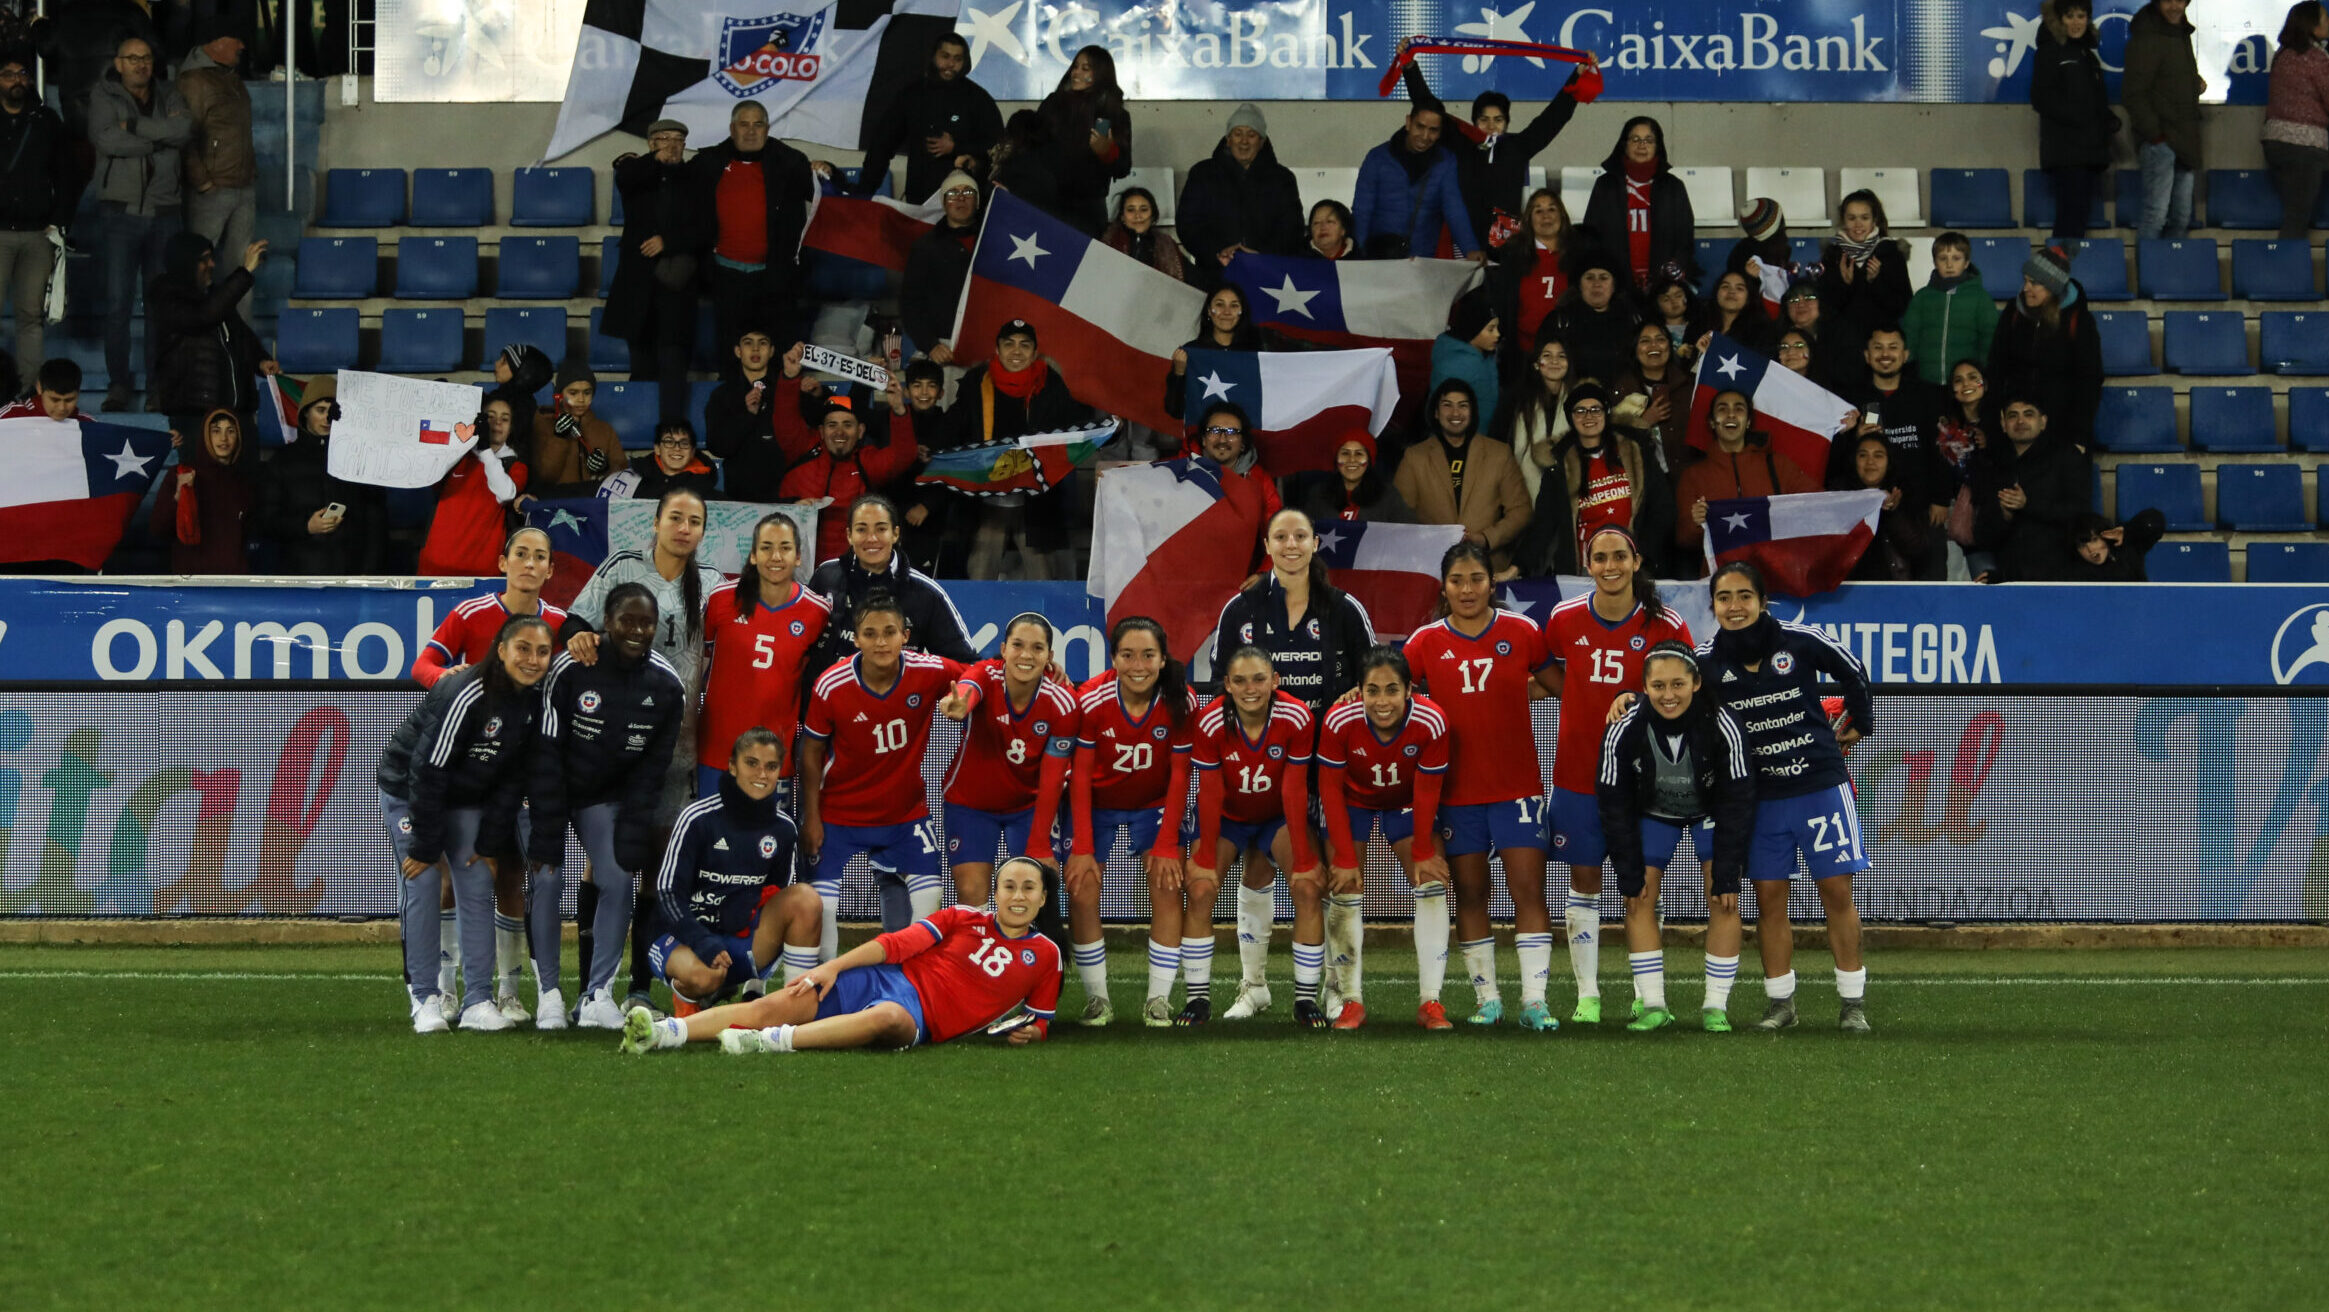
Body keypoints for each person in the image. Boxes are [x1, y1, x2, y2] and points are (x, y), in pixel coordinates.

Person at [622, 855, 1062, 1054]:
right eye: (1009, 886)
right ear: (996, 892)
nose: (1017, 896)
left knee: (886, 1019)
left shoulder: (1047, 956)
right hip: (882, 978)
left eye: (1029, 888)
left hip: (920, 1017)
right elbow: (897, 944)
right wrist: (830, 967)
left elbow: (1041, 1020)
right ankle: (664, 1033)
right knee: (781, 1001)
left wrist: (1032, 1034)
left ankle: (770, 1043)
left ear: (1043, 899)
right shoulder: (963, 916)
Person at [1692, 561, 1875, 1033]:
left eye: (1744, 596)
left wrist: (1860, 724)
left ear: (1762, 601)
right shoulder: (1706, 662)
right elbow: (1671, 696)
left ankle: (1852, 1003)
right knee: (1770, 898)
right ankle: (1781, 1004)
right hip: (1759, 798)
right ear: (1713, 606)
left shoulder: (1800, 640)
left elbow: (1854, 670)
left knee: (1837, 892)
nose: (1735, 606)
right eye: (1724, 597)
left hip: (1819, 787)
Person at [410, 526, 569, 1016]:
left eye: (539, 556)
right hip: (466, 771)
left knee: (512, 873)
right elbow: (424, 667)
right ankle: (446, 987)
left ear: (550, 569)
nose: (529, 563)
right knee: (451, 875)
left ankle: (507, 990)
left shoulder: (563, 623)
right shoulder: (470, 612)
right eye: (520, 554)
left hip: (523, 768)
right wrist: (451, 679)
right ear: (503, 562)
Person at [1402, 542, 1558, 1029]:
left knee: (1528, 891)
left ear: (1493, 583)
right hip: (1455, 792)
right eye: (1457, 581)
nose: (1467, 589)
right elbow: (1388, 687)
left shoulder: (1523, 630)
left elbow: (1559, 685)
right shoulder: (1425, 640)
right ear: (1444, 587)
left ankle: (1535, 1001)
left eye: (1476, 579)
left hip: (1517, 787)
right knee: (1470, 892)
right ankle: (1487, 999)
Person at [1541, 527, 1690, 1023]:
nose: (1610, 565)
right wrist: (1579, 696)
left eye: (1619, 556)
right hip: (1578, 776)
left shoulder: (1664, 622)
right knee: (1583, 883)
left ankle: (1645, 994)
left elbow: (1690, 692)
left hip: (1645, 783)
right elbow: (1543, 671)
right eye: (1600, 557)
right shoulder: (1563, 619)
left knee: (1642, 887)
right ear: (1588, 564)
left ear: (1636, 559)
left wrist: (1641, 703)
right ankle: (1587, 996)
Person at [378, 614, 551, 1033]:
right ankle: (424, 998)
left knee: (476, 880)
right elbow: (428, 769)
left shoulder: (534, 701)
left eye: (542, 651)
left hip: (466, 798)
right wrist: (425, 846)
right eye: (522, 649)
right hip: (410, 789)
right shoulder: (468, 690)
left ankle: (477, 1000)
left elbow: (512, 779)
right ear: (501, 650)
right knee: (422, 882)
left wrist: (489, 843)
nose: (532, 659)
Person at [529, 585, 687, 1029]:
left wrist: (633, 826)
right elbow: (545, 752)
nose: (637, 630)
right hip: (554, 789)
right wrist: (547, 827)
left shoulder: (666, 684)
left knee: (618, 878)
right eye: (627, 621)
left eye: (646, 622)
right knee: (548, 875)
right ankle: (549, 994)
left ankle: (598, 994)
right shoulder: (572, 667)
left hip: (604, 800)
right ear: (607, 622)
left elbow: (652, 770)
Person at [1595, 641, 1754, 1032]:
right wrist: (1628, 871)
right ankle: (1653, 1005)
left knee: (1725, 897)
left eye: (1678, 684)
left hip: (1711, 812)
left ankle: (1715, 1007)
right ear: (1645, 687)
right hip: (1653, 813)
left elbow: (1738, 798)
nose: (1669, 695)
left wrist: (1729, 871)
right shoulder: (1625, 728)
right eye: (1659, 686)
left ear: (1696, 683)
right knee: (1638, 897)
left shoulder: (1723, 723)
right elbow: (1613, 802)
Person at [798, 592, 967, 959]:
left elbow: (976, 673)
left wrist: (965, 696)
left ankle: (914, 981)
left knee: (930, 895)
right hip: (839, 813)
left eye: (889, 632)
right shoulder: (831, 685)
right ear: (855, 638)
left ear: (905, 635)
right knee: (821, 909)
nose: (881, 642)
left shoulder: (929, 671)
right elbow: (810, 751)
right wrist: (811, 816)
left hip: (903, 813)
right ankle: (827, 986)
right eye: (870, 633)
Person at [935, 614, 1086, 1011]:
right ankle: (975, 990)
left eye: (1037, 648)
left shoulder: (1062, 703)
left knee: (1032, 897)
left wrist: (1039, 842)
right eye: (1018, 645)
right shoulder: (985, 675)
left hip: (1027, 807)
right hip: (970, 804)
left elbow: (1054, 779)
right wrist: (959, 704)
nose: (1026, 654)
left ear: (1050, 657)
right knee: (972, 899)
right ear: (1003, 650)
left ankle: (1034, 991)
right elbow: (967, 690)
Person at [1068, 617, 1201, 1027]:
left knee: (1166, 884)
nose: (1138, 664)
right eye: (1127, 655)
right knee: (1082, 887)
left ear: (1163, 660)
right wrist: (1084, 847)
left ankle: (1158, 999)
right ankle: (1097, 1000)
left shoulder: (1182, 699)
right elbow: (1082, 776)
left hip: (1155, 802)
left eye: (1148, 655)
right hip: (1097, 802)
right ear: (1113, 659)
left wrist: (1164, 845)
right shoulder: (1090, 699)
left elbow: (1181, 776)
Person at [1183, 646, 1325, 1027]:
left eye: (1259, 679)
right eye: (1240, 680)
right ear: (1227, 684)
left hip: (1277, 815)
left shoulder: (1296, 716)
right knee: (1199, 887)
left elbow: (1294, 790)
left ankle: (1306, 1000)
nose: (1251, 688)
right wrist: (1206, 860)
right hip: (1227, 816)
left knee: (1309, 886)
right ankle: (1197, 1000)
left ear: (1275, 681)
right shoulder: (1211, 721)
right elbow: (1210, 792)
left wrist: (1305, 861)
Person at [1316, 647, 1451, 1030]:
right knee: (1342, 886)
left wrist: (1424, 850)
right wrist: (1343, 855)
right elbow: (1329, 790)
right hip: (1353, 801)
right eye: (1372, 690)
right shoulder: (1339, 719)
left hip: (1408, 802)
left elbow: (1427, 791)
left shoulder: (1431, 720)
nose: (1382, 701)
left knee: (1432, 882)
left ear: (1409, 689)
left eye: (1392, 689)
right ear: (1359, 691)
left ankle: (1431, 1002)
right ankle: (1349, 1001)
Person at [645, 728, 825, 1013]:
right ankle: (689, 998)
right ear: (732, 766)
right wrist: (701, 940)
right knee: (706, 976)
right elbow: (667, 894)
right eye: (751, 763)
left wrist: (747, 909)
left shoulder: (783, 828)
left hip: (737, 940)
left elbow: (777, 895)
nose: (761, 774)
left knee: (806, 899)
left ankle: (795, 1009)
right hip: (683, 938)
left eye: (771, 766)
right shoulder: (697, 818)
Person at [1399, 40, 1592, 251]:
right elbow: (1428, 106)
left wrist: (1578, 76)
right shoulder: (1461, 144)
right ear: (1474, 122)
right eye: (1484, 119)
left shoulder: (1518, 147)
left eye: (1498, 120)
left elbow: (1553, 118)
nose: (1491, 126)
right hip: (1464, 245)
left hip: (1505, 247)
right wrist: (1410, 68)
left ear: (1507, 123)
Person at [934, 318, 1085, 579]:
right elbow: (952, 428)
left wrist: (1110, 432)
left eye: (1025, 345)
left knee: (1043, 579)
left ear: (1035, 352)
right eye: (1009, 344)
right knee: (980, 573)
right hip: (987, 502)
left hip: (1034, 502)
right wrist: (929, 443)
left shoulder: (1051, 385)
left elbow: (1077, 426)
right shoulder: (976, 383)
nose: (1017, 352)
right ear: (997, 349)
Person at [696, 513, 831, 794]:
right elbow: (699, 665)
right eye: (766, 547)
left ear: (798, 557)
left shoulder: (817, 612)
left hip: (773, 757)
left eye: (785, 547)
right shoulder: (721, 599)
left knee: (766, 838)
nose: (776, 556)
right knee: (715, 836)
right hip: (717, 750)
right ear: (754, 556)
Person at [90, 34, 190, 412]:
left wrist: (133, 126)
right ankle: (118, 384)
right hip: (120, 214)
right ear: (118, 63)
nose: (140, 64)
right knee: (117, 305)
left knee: (159, 308)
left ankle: (157, 387)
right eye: (132, 58)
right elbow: (106, 139)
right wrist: (157, 139)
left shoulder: (171, 94)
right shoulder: (103, 95)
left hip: (165, 214)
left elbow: (184, 131)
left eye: (146, 57)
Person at [1208, 506, 1376, 713]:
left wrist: (1358, 694)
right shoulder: (1239, 609)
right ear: (1267, 546)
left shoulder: (1345, 608)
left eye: (1300, 536)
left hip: (1329, 738)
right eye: (1280, 537)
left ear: (1315, 544)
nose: (1291, 544)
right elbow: (1219, 684)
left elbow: (1376, 675)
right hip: (1260, 740)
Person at [691, 100, 816, 355]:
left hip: (776, 278)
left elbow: (826, 197)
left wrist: (829, 171)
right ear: (732, 128)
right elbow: (672, 189)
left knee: (781, 359)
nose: (750, 131)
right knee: (730, 356)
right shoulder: (707, 162)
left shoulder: (790, 162)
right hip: (726, 278)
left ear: (767, 129)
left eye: (757, 124)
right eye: (743, 124)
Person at [805, 493, 978, 676]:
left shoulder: (924, 592)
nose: (871, 538)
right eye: (861, 529)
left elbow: (966, 665)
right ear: (849, 535)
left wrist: (936, 705)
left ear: (895, 534)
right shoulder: (826, 577)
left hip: (898, 702)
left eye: (881, 529)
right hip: (829, 699)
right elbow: (800, 642)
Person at [1518, 380, 1672, 579]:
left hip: (1633, 569)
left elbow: (1664, 509)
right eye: (1580, 411)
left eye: (1595, 409)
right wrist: (1517, 567)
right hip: (1584, 573)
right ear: (1571, 418)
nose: (1588, 416)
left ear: (1606, 412)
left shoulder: (1636, 451)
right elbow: (1543, 525)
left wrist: (1642, 556)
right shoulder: (1560, 465)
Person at [607, 120, 707, 421]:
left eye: (679, 139)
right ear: (651, 143)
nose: (672, 145)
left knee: (674, 366)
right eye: (664, 139)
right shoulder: (636, 174)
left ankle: (671, 433)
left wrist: (669, 242)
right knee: (642, 367)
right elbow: (626, 176)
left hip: (676, 290)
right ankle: (640, 430)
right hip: (638, 289)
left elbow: (706, 229)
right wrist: (654, 160)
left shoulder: (695, 178)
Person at [1836, 324, 1954, 578]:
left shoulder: (1928, 396)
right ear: (1867, 355)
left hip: (1922, 507)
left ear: (1906, 354)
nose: (1885, 354)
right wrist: (1853, 437)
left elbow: (1943, 449)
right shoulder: (1850, 398)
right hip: (1866, 510)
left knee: (1931, 583)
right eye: (1878, 348)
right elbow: (1836, 459)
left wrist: (1941, 499)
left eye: (1893, 347)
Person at [1392, 379, 1532, 575]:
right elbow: (1398, 517)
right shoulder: (1415, 457)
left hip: (1488, 565)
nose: (1455, 413)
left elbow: (1521, 510)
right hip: (1430, 568)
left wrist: (1485, 538)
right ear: (1436, 412)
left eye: (1463, 406)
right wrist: (1431, 541)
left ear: (1472, 412)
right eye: (1447, 405)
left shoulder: (1499, 453)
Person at [849, 31, 1003, 205]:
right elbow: (882, 144)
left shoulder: (978, 98)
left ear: (965, 62)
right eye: (945, 56)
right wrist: (864, 192)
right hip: (920, 196)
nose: (950, 64)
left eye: (957, 59)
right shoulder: (912, 96)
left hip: (965, 201)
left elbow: (998, 146)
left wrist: (956, 147)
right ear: (933, 56)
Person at [1673, 386, 1818, 571]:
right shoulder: (1693, 475)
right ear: (1711, 422)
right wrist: (1695, 522)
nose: (1731, 414)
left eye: (1739, 408)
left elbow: (1816, 505)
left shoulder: (1778, 465)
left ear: (1748, 422)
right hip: (1720, 580)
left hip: (1776, 576)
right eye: (1722, 408)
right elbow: (1682, 538)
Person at [256, 377, 386, 575]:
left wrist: (368, 573)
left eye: (333, 412)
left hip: (350, 576)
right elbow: (266, 521)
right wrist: (306, 526)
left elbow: (374, 518)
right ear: (306, 412)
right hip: (301, 578)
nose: (327, 419)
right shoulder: (282, 462)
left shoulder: (357, 458)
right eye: (321, 410)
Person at [148, 231, 272, 433]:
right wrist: (245, 271)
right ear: (185, 262)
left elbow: (240, 334)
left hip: (236, 413)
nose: (212, 265)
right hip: (195, 417)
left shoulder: (214, 295)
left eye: (211, 258)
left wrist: (261, 360)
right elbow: (202, 317)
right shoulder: (165, 295)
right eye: (204, 260)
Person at [0, 47, 76, 372]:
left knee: (31, 316)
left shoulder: (46, 121)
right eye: (9, 74)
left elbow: (66, 174)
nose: (18, 80)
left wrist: (58, 221)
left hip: (37, 234)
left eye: (23, 74)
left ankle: (30, 390)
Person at [1989, 246, 2103, 455]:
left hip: (2063, 431)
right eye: (2025, 280)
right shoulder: (2014, 312)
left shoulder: (2079, 320)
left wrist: (2079, 435)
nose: (2025, 288)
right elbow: (1996, 367)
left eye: (2034, 282)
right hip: (2019, 431)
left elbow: (2090, 379)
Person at [1175, 103, 1304, 289]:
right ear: (1228, 139)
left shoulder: (1283, 179)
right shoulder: (1202, 173)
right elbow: (1188, 225)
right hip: (1214, 275)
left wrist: (1260, 255)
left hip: (1267, 276)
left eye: (1251, 135)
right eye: (1237, 133)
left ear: (1262, 141)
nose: (1244, 141)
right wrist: (1218, 253)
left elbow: (1292, 229)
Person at [176, 18, 254, 324]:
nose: (243, 46)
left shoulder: (230, 77)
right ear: (217, 42)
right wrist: (203, 181)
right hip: (211, 191)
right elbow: (184, 135)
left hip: (242, 187)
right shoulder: (194, 81)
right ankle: (196, 340)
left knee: (243, 272)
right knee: (197, 269)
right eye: (237, 39)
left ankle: (241, 346)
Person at [1968, 393, 2089, 582]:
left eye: (2028, 414)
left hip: (2061, 570)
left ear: (2043, 422)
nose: (2020, 421)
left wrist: (2028, 505)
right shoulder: (1992, 463)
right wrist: (2004, 516)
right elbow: (1983, 534)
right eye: (2013, 415)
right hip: (2009, 573)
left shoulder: (2066, 456)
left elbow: (2079, 511)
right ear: (2003, 425)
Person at [2030, 1, 2118, 243]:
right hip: (2066, 151)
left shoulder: (2087, 55)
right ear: (2059, 19)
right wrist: (2081, 117)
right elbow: (2041, 98)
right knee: (2068, 221)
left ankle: (2065, 275)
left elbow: (2094, 102)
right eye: (2070, 16)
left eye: (2082, 16)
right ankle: (2053, 278)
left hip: (2088, 151)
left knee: (2077, 221)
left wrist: (2108, 120)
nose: (2077, 22)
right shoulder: (2050, 51)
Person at [417, 395, 530, 577]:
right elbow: (427, 476)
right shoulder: (457, 456)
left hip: (481, 570)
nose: (497, 423)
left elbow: (506, 493)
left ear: (512, 428)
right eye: (490, 417)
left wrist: (485, 450)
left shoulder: (515, 466)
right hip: (434, 565)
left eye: (505, 419)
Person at [1581, 116, 1696, 291]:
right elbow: (1591, 234)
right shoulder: (1606, 184)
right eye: (1635, 139)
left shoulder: (1673, 186)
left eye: (1648, 140)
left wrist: (1672, 272)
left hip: (1662, 285)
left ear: (1658, 146)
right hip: (1615, 284)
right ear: (1624, 145)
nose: (1642, 145)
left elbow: (1684, 238)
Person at [1352, 100, 1476, 260]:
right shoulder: (1377, 158)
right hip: (1379, 261)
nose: (1425, 136)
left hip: (1422, 263)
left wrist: (1471, 249)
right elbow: (1362, 211)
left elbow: (1454, 209)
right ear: (1408, 122)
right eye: (1420, 126)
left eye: (1433, 130)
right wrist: (1359, 255)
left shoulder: (1446, 161)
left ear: (1440, 133)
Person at [2123, 0, 2204, 240]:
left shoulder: (2180, 34)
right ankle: (2145, 275)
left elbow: (2168, 75)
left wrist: (2194, 82)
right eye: (2168, 0)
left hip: (2185, 140)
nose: (2175, 6)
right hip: (2162, 142)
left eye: (2180, 0)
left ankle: (2170, 275)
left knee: (2181, 217)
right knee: (2156, 215)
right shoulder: (2147, 37)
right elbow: (2133, 93)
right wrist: (2156, 135)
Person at [1037, 45, 1131, 235]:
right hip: (1048, 204)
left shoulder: (1114, 114)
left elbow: (1123, 167)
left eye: (1085, 69)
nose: (1076, 73)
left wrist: (1107, 152)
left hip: (1088, 210)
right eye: (1075, 66)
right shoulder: (1053, 105)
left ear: (1101, 75)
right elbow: (1032, 147)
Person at [149, 408, 253, 574]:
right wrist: (177, 497)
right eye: (216, 431)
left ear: (238, 437)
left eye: (230, 431)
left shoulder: (243, 482)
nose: (223, 438)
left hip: (233, 586)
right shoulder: (181, 474)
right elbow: (158, 530)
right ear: (205, 435)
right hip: (192, 584)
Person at [1814, 190, 1911, 352]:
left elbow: (1901, 306)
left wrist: (1875, 283)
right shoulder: (1832, 256)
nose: (1858, 225)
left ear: (1875, 221)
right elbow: (1825, 308)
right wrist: (1845, 285)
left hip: (1880, 351)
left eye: (1864, 218)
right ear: (1843, 221)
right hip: (1841, 349)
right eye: (1851, 218)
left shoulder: (1890, 254)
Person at [900, 172, 982, 362]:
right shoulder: (925, 246)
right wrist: (930, 345)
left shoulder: (994, 240)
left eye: (968, 192)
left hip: (987, 345)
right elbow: (910, 303)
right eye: (953, 193)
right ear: (944, 203)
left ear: (977, 201)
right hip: (943, 348)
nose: (961, 197)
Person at [2264, 2, 2329, 239]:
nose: (2328, 23)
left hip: (2275, 143)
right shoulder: (2316, 58)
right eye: (2325, 18)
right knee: (2297, 218)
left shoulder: (2283, 54)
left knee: (2294, 211)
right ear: (2312, 26)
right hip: (2305, 146)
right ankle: (2285, 272)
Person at [701, 326, 789, 499]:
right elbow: (717, 447)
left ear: (771, 351)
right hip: (739, 495)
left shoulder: (787, 389)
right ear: (738, 351)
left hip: (783, 493)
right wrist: (747, 415)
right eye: (748, 343)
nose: (755, 349)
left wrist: (818, 394)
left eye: (762, 343)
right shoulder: (722, 395)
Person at [1489, 189, 1575, 363]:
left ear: (1562, 216)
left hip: (1569, 353)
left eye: (1552, 209)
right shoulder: (1512, 256)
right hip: (1522, 354)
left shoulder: (1578, 255)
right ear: (1529, 219)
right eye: (1538, 210)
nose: (1546, 216)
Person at [1165, 285, 1271, 425]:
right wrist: (1179, 373)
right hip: (1204, 440)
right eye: (1220, 305)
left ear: (1241, 312)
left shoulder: (1255, 355)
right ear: (1209, 311)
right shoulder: (1191, 352)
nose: (1226, 312)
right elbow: (1175, 410)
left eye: (1234, 306)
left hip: (1244, 439)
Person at [1901, 234, 1996, 389]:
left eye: (1956, 258)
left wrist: (1981, 374)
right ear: (1934, 262)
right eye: (1943, 258)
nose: (1949, 264)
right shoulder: (1922, 297)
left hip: (1965, 384)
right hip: (1926, 381)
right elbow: (1910, 336)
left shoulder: (1980, 297)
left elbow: (1989, 340)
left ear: (1966, 263)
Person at [1843, 436, 1939, 580]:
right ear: (1854, 461)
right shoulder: (1840, 496)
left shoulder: (1907, 495)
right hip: (1851, 590)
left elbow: (1918, 549)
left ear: (1889, 462)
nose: (1870, 462)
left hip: (1895, 589)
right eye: (1863, 455)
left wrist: (1893, 512)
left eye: (1878, 455)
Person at [529, 359, 627, 499]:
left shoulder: (605, 430)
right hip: (555, 502)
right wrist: (559, 438)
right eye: (573, 393)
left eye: (587, 393)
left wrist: (605, 470)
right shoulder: (543, 424)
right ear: (560, 395)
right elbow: (544, 477)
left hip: (592, 505)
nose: (581, 399)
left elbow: (622, 476)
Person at [1543, 247, 1639, 388]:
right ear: (1579, 285)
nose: (1596, 284)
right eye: (1589, 277)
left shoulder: (1632, 319)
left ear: (1614, 285)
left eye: (1603, 277)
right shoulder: (1560, 320)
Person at [1498, 336, 1572, 511]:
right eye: (1547, 355)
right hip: (1520, 488)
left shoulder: (1578, 401)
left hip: (1567, 487)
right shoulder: (1516, 399)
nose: (1555, 361)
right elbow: (1499, 443)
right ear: (1536, 363)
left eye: (1561, 356)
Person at [1613, 319, 1693, 476]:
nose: (1654, 345)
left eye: (1660, 339)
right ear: (1635, 349)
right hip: (1645, 480)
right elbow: (1613, 442)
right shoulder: (1622, 390)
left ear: (1670, 346)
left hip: (1687, 477)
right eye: (1645, 341)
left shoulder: (1688, 384)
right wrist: (1644, 422)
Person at [1281, 430, 1412, 524]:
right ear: (1336, 460)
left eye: (1359, 454)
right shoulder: (1318, 494)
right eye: (1345, 453)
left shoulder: (1387, 495)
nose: (1351, 460)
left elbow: (1405, 533)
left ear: (1369, 460)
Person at [1431, 288, 1501, 426]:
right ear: (1473, 329)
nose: (1497, 334)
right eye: (1491, 329)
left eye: (1497, 327)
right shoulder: (1454, 368)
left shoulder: (1485, 356)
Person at [1101, 185, 1187, 282]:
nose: (1138, 216)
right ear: (1122, 217)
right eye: (1131, 210)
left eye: (1144, 209)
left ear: (1153, 215)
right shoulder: (1107, 245)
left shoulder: (1167, 245)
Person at [2058, 508, 2167, 580]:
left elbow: (2156, 520)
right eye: (2082, 546)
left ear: (2105, 536)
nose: (2091, 550)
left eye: (2095, 540)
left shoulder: (2129, 548)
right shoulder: (2077, 573)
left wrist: (2128, 531)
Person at [631, 420, 718, 503]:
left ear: (692, 452)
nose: (677, 448)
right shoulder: (632, 484)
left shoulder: (711, 498)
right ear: (657, 448)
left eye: (684, 443)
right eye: (669, 442)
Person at [1705, 269, 1771, 354]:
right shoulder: (1702, 327)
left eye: (1739, 288)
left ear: (1749, 297)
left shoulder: (1762, 334)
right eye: (1725, 286)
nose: (1731, 292)